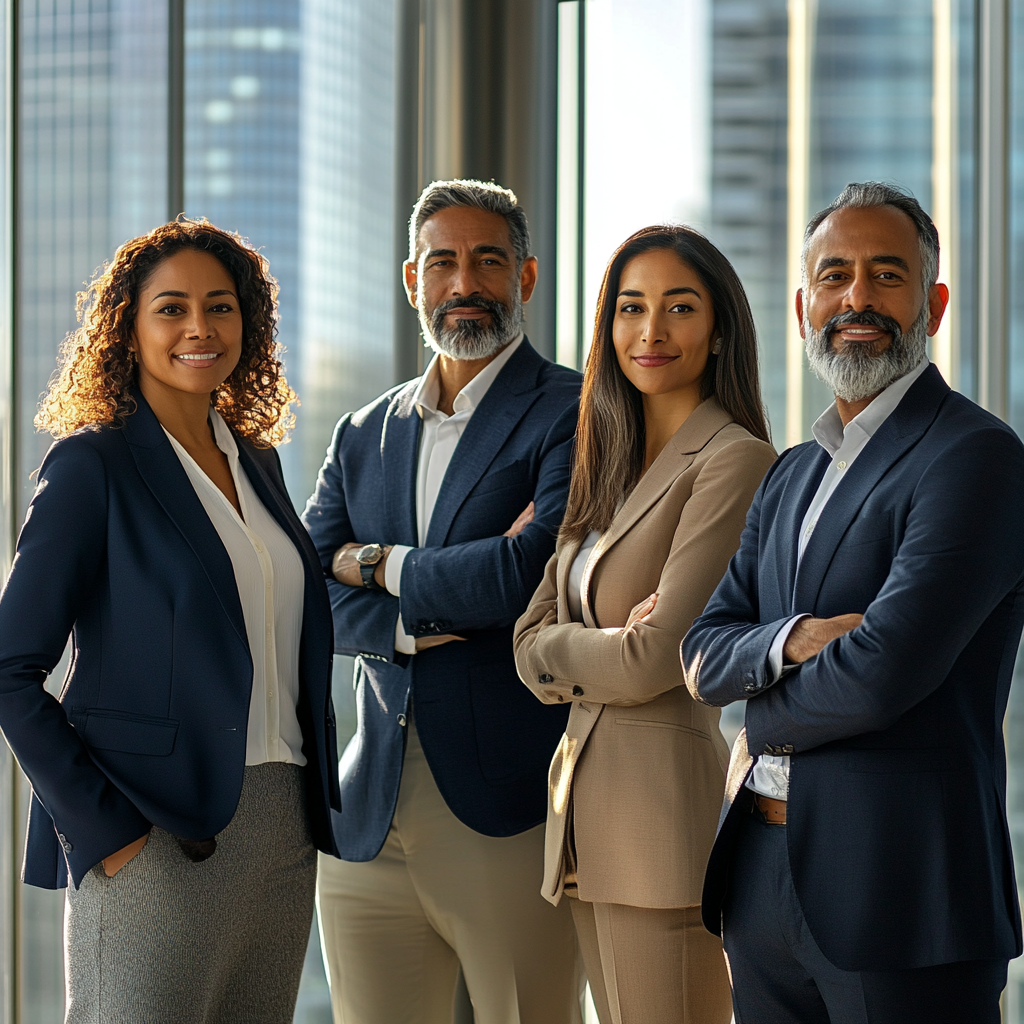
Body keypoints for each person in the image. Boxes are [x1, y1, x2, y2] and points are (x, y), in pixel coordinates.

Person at [683, 182, 1024, 1023]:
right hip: (760, 877)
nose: (857, 299)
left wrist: (753, 715)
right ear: (804, 306)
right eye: (834, 277)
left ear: (935, 303)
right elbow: (702, 649)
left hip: (904, 893)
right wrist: (795, 639)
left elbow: (883, 673)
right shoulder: (791, 471)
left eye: (887, 276)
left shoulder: (975, 457)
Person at [0, 219, 342, 1024]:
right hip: (151, 832)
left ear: (247, 324)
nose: (200, 328)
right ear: (129, 326)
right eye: (172, 308)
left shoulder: (258, 462)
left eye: (220, 307)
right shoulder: (94, 464)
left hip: (281, 830)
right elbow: (11, 669)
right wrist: (105, 830)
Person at [304, 178, 583, 1024]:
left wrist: (377, 564)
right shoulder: (362, 432)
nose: (465, 283)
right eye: (444, 262)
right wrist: (431, 616)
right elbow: (311, 588)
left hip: (507, 808)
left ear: (525, 278)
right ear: (412, 280)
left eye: (488, 261)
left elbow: (527, 574)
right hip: (366, 816)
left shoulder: (573, 411)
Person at [513, 225, 776, 1024]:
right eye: (631, 309)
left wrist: (584, 650)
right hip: (586, 824)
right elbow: (525, 645)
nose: (651, 331)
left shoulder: (734, 458)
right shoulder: (608, 459)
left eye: (679, 308)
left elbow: (658, 659)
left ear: (719, 326)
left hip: (662, 828)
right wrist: (596, 645)